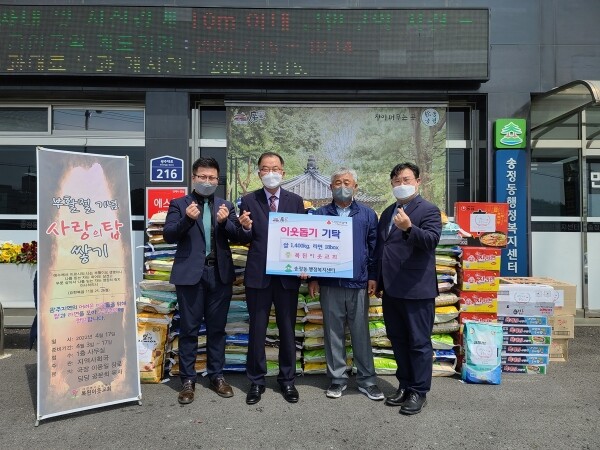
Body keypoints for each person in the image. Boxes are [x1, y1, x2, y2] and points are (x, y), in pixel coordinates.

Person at [163, 157, 250, 405]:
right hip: (191, 275)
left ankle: (217, 376)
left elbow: (239, 237)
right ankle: (187, 381)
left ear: (217, 180)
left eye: (212, 178)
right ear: (194, 178)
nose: (207, 181)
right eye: (203, 177)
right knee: (189, 330)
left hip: (219, 274)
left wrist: (229, 223)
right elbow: (169, 235)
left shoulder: (226, 205)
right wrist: (187, 219)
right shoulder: (180, 204)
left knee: (217, 329)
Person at [307, 168, 383, 401]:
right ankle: (337, 379)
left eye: (347, 182)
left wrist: (373, 276)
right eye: (338, 183)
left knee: (361, 333)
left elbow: (374, 249)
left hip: (358, 283)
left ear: (355, 187)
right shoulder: (320, 214)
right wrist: (313, 277)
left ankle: (367, 381)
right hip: (329, 283)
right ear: (330, 187)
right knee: (333, 333)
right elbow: (312, 248)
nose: (342, 186)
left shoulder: (367, 214)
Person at [238, 151, 305, 405]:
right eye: (265, 169)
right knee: (257, 330)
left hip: (287, 276)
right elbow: (244, 238)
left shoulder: (295, 201)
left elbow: (303, 237)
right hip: (259, 276)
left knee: (287, 329)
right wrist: (245, 227)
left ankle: (287, 380)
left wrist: (303, 263)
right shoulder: (248, 200)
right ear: (259, 173)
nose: (271, 173)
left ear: (283, 172)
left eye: (275, 168)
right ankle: (256, 381)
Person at [374, 162, 441, 415]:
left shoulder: (428, 210)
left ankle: (419, 391)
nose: (401, 185)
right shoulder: (387, 212)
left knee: (419, 343)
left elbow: (431, 240)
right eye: (397, 181)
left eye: (406, 180)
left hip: (417, 289)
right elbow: (381, 249)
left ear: (417, 182)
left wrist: (410, 228)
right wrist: (378, 280)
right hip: (392, 290)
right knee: (398, 340)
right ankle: (404, 385)